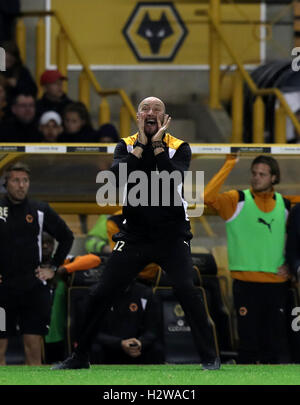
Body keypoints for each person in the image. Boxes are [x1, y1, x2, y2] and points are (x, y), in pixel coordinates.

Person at [52, 96, 220, 371]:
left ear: (165, 119)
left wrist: (155, 145)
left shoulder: (179, 147)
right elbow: (118, 178)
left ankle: (210, 358)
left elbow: (172, 179)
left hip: (171, 235)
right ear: (138, 116)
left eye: (157, 110)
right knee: (100, 293)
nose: (150, 113)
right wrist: (142, 145)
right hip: (135, 236)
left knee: (187, 290)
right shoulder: (125, 145)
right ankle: (80, 357)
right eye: (145, 109)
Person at [204, 154, 291, 364]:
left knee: (275, 345)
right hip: (246, 285)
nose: (256, 178)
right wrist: (228, 164)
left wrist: (291, 265)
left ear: (274, 178)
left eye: (262, 174)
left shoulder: (286, 205)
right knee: (248, 345)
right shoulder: (237, 200)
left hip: (277, 285)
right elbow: (207, 197)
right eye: (254, 173)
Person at [0, 162, 74, 365]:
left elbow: (67, 237)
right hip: (2, 288)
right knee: (0, 346)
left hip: (32, 288)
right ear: (6, 183)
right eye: (16, 180)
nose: (21, 185)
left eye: (25, 180)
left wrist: (53, 267)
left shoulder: (39, 209)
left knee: (33, 345)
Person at [36, 232, 101, 364]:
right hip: (35, 331)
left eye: (49, 243)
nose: (45, 246)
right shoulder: (29, 263)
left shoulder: (61, 261)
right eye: (42, 243)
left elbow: (94, 259)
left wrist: (60, 270)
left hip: (59, 331)